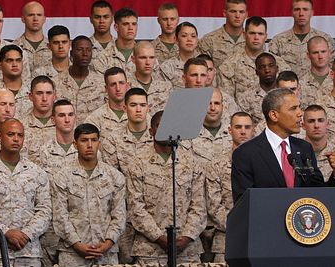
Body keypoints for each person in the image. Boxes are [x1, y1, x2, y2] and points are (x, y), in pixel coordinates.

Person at [122, 110, 206, 264]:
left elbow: (199, 206)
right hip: (150, 251)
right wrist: (160, 238)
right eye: (160, 126)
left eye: (170, 126)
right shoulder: (137, 164)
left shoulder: (192, 163)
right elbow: (136, 208)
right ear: (151, 131)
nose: (166, 130)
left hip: (188, 251)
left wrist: (186, 238)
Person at [231, 88, 335, 202]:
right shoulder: (246, 154)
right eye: (293, 108)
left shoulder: (304, 148)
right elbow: (244, 203)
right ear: (274, 115)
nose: (300, 113)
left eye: (299, 107)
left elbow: (318, 193)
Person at [0, 118, 51, 267]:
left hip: (28, 252)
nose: (16, 139)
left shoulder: (36, 172)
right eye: (11, 134)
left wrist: (26, 234)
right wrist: (5, 232)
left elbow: (45, 211)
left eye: (20, 135)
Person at [50, 123, 126, 267]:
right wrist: (77, 244)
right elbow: (60, 217)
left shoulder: (115, 177)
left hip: (106, 254)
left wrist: (107, 243)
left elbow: (119, 216)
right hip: (72, 254)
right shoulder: (62, 177)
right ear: (75, 144)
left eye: (93, 140)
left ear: (99, 143)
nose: (89, 145)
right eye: (84, 140)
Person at [203, 112, 255, 262]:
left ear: (253, 130)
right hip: (226, 240)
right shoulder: (216, 165)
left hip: (257, 238)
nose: (243, 131)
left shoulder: (262, 163)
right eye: (238, 127)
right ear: (230, 130)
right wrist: (239, 227)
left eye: (247, 127)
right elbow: (213, 206)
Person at [268, 0, 335, 74]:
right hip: (288, 85)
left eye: (305, 9)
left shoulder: (325, 40)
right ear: (292, 13)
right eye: (297, 10)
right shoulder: (278, 41)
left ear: (312, 13)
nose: (301, 14)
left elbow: (333, 67)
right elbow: (273, 69)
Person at [100, 88, 151, 170]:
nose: (138, 110)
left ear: (148, 108)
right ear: (125, 108)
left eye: (142, 105)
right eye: (133, 105)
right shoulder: (112, 139)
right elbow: (111, 175)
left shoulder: (157, 137)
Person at [56, 37, 104, 118]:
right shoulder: (56, 82)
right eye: (80, 50)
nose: (85, 54)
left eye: (88, 50)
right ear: (71, 54)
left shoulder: (102, 83)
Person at [197, 0, 247, 67]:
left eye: (241, 12)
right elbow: (203, 71)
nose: (237, 15)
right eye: (233, 11)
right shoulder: (209, 40)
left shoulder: (252, 39)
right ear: (224, 13)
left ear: (246, 14)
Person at [14, 2, 50, 74]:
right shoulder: (13, 47)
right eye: (31, 15)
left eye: (39, 15)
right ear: (23, 19)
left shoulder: (53, 47)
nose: (35, 19)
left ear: (44, 19)